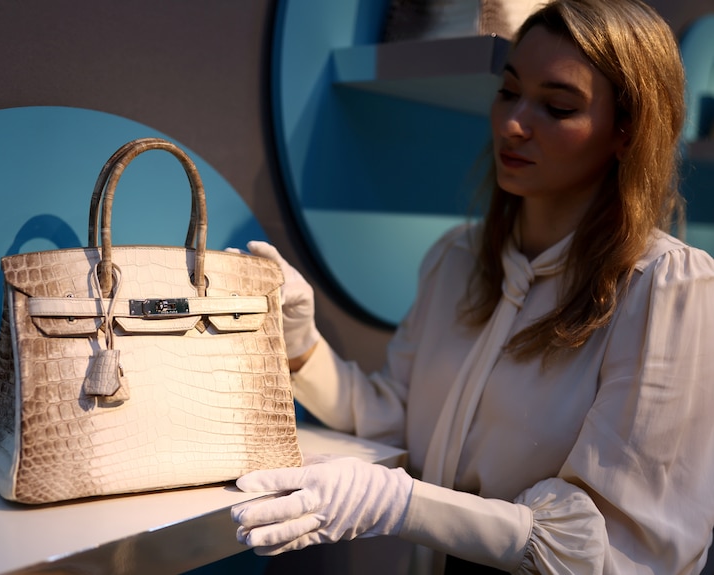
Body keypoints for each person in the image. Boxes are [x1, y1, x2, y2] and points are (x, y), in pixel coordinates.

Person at [229, 0, 714, 573]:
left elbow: (612, 550)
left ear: (626, 132)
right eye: (509, 92)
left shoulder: (666, 287)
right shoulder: (456, 260)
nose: (513, 123)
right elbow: (396, 415)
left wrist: (402, 504)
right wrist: (301, 344)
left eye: (557, 107)